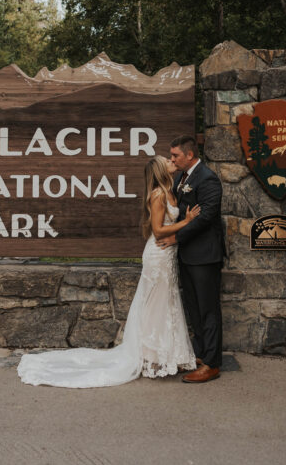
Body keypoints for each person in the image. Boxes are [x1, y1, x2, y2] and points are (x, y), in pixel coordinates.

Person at [17, 156, 199, 388]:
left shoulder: (171, 190)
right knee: (156, 305)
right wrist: (187, 222)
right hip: (158, 256)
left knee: (167, 303)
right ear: (162, 170)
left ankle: (169, 355)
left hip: (168, 256)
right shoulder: (158, 195)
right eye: (167, 161)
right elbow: (158, 229)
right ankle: (152, 357)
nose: (171, 161)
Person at [156, 135, 224, 383]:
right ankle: (201, 353)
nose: (172, 159)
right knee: (194, 308)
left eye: (175, 155)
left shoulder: (207, 179)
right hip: (187, 255)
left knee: (208, 310)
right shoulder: (182, 178)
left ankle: (213, 364)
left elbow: (206, 217)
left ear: (189, 155)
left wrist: (176, 238)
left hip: (204, 256)